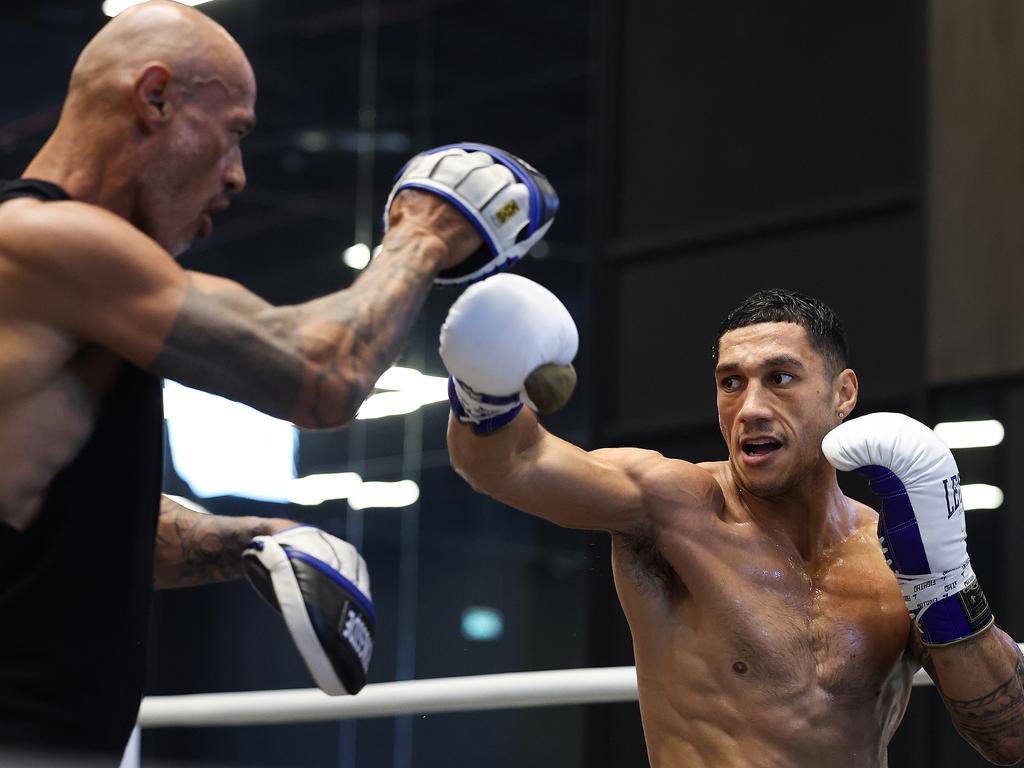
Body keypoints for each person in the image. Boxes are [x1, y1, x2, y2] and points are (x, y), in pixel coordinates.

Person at [0, 0, 554, 760]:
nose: (237, 176)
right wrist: (425, 232)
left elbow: (82, 516)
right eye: (234, 134)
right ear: (154, 97)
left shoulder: (72, 294)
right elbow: (322, 373)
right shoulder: (38, 243)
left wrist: (259, 539)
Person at [443, 277, 1024, 767]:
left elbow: (1008, 735)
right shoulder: (675, 507)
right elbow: (509, 464)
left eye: (781, 377)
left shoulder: (892, 551)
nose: (750, 408)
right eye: (731, 382)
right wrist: (482, 382)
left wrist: (945, 585)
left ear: (843, 393)